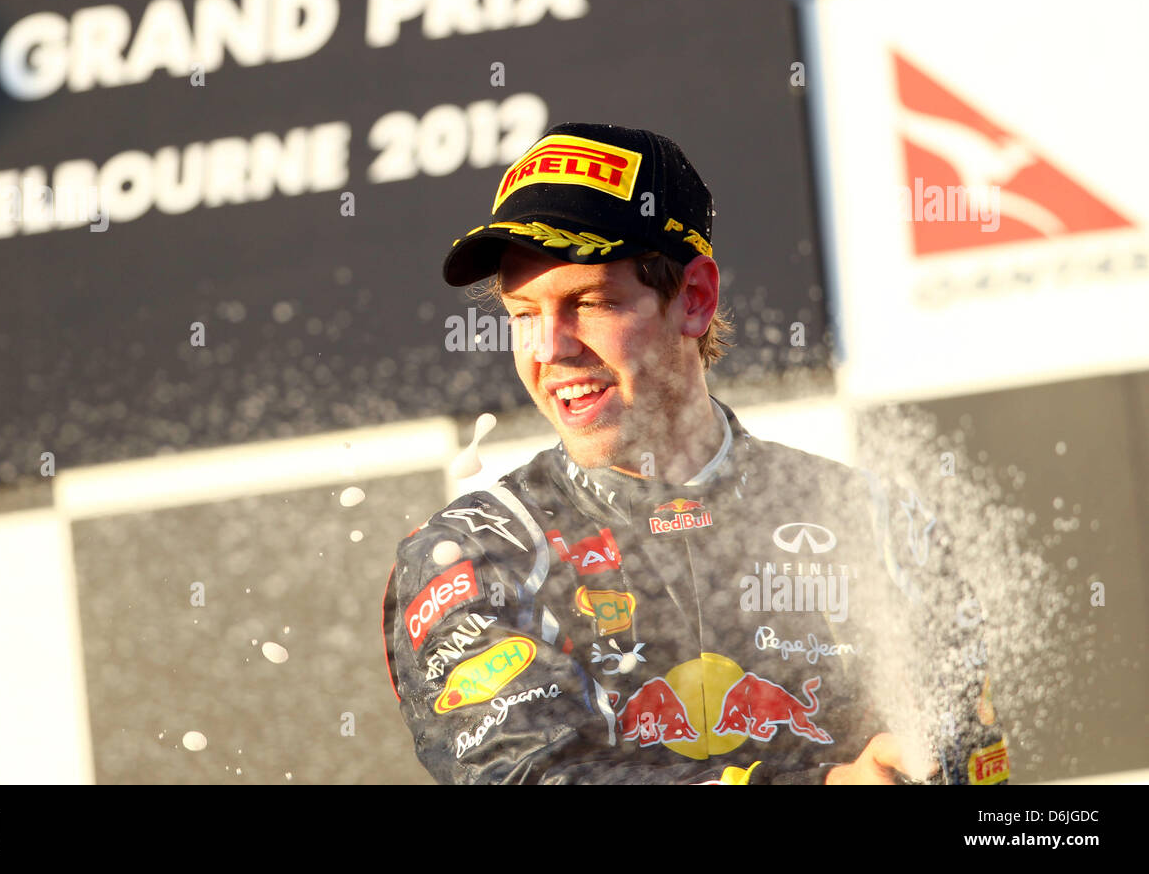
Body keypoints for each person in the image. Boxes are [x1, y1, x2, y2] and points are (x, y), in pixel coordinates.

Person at [381, 122, 1008, 785]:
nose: (549, 348)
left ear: (696, 299)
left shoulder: (875, 525)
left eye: (588, 303)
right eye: (523, 314)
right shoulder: (480, 552)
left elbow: (974, 769)